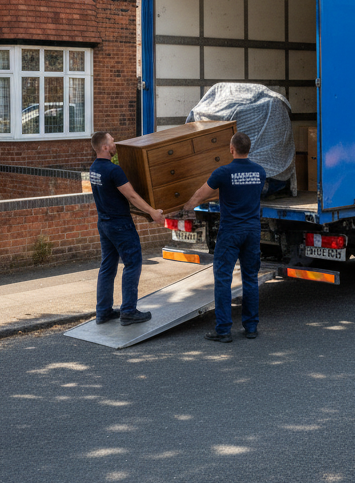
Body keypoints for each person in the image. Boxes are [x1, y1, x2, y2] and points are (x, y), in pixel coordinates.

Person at [181, 131, 266, 342]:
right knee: (250, 278)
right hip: (252, 230)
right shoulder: (260, 172)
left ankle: (224, 330)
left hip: (231, 232)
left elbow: (203, 192)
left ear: (231, 149)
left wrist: (187, 206)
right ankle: (251, 327)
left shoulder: (223, 172)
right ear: (249, 149)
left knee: (223, 279)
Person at [89, 131, 165, 326]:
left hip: (104, 223)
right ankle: (129, 311)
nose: (115, 144)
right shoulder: (114, 171)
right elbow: (131, 196)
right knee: (133, 264)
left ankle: (103, 311)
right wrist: (153, 212)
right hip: (120, 224)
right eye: (112, 141)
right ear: (105, 147)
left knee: (107, 266)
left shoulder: (94, 169)